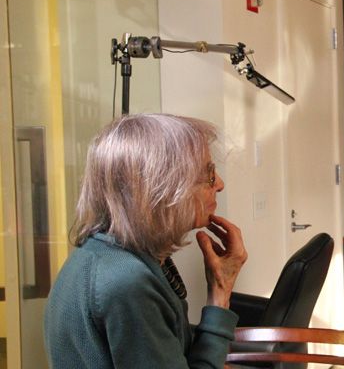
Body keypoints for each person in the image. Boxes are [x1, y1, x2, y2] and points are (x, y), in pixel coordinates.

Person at [44, 113, 248, 368]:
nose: (219, 184)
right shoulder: (128, 282)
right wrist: (220, 294)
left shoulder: (102, 255)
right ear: (162, 187)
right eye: (208, 175)